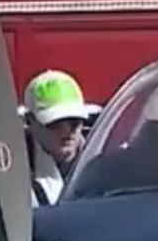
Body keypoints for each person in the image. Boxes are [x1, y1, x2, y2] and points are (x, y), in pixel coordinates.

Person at [21, 70, 101, 204]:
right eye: (55, 123)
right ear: (29, 121)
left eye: (74, 122)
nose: (66, 132)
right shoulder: (15, 168)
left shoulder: (104, 157)